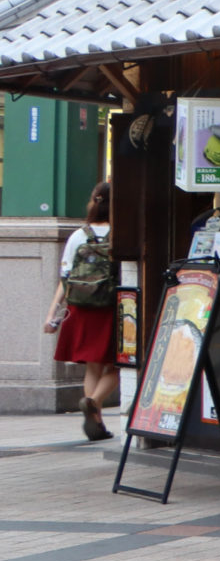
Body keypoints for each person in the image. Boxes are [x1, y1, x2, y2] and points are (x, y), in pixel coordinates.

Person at [44, 182, 117, 439]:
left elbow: (65, 278)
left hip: (81, 307)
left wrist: (52, 315)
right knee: (121, 365)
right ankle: (94, 402)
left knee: (93, 367)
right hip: (111, 307)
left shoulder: (78, 235)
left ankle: (96, 424)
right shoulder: (120, 234)